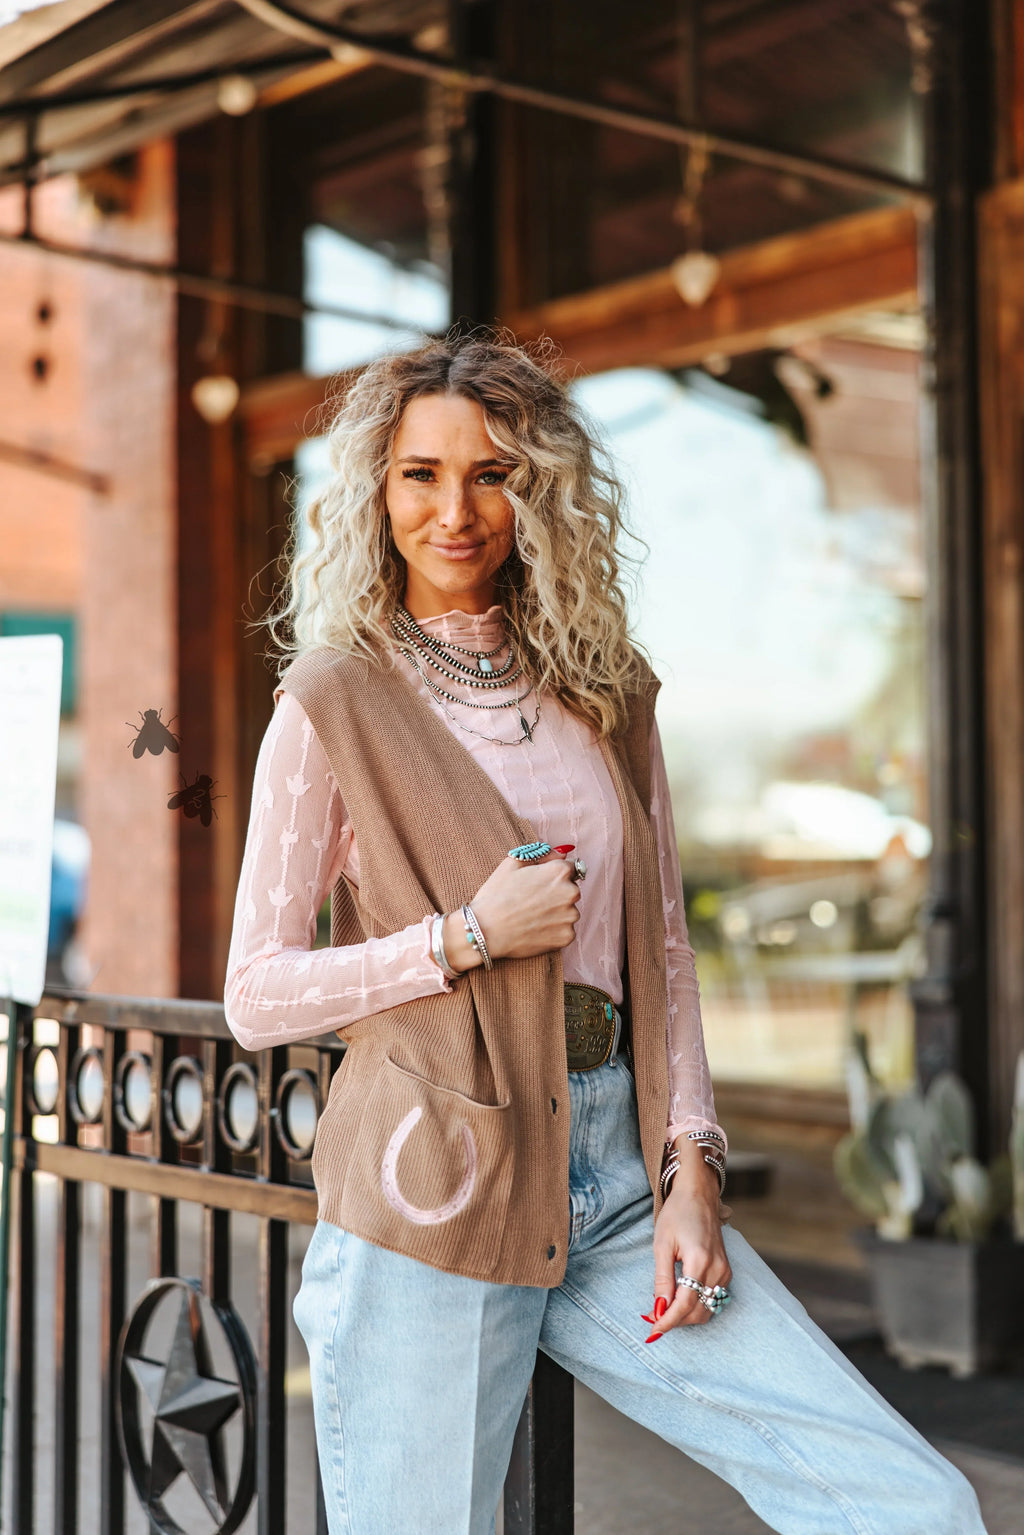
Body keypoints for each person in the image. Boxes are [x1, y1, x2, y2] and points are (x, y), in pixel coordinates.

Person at [224, 334, 986, 1535]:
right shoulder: (335, 699)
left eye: (494, 473)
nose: (455, 509)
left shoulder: (603, 689)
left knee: (909, 1502)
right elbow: (256, 993)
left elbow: (665, 949)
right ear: (375, 488)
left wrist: (693, 1170)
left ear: (541, 491)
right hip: (434, 1182)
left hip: (621, 1180)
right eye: (420, 472)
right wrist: (464, 935)